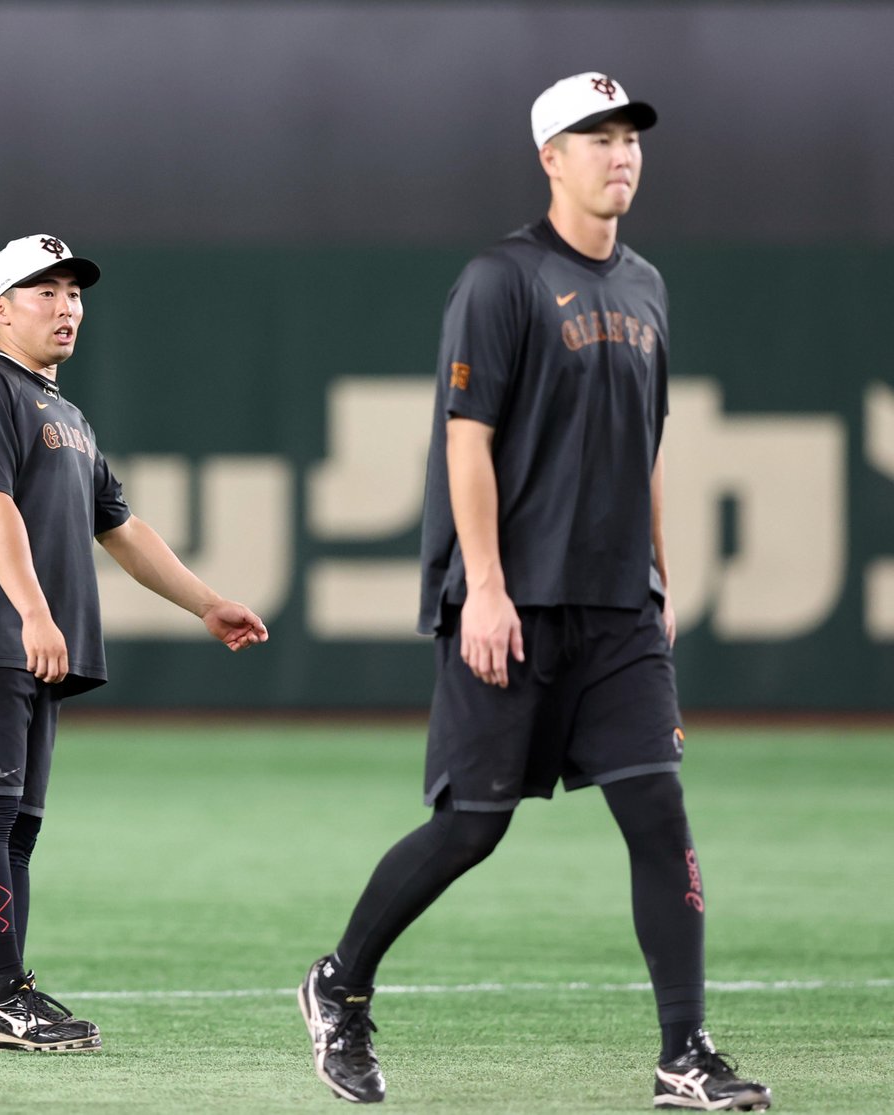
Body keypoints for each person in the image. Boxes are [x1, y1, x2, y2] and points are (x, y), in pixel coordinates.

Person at [297, 75, 772, 1111]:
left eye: (629, 136)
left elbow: (647, 444)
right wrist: (484, 587)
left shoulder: (645, 285)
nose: (621, 152)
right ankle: (340, 981)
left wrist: (659, 573)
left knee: (659, 811)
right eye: (596, 137)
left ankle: (683, 1053)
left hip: (619, 608)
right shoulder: (502, 279)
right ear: (550, 158)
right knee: (473, 824)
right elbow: (466, 440)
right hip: (513, 603)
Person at [0, 234, 268, 1054]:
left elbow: (121, 528)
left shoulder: (65, 414)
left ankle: (3, 1004)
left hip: (28, 643)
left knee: (18, 826)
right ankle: (4, 997)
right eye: (45, 291)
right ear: (1, 307)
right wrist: (34, 611)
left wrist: (207, 603)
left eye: (73, 292)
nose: (66, 305)